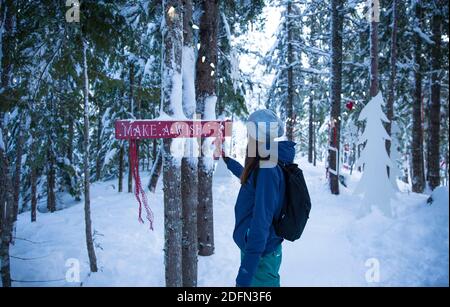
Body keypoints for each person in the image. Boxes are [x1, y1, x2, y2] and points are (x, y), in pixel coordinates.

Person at [222, 109, 296, 287]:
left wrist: (246, 273)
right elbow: (251, 184)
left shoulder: (267, 168)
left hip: (260, 254)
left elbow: (261, 221)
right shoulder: (265, 162)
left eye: (250, 132)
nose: (248, 137)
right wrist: (229, 162)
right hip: (257, 249)